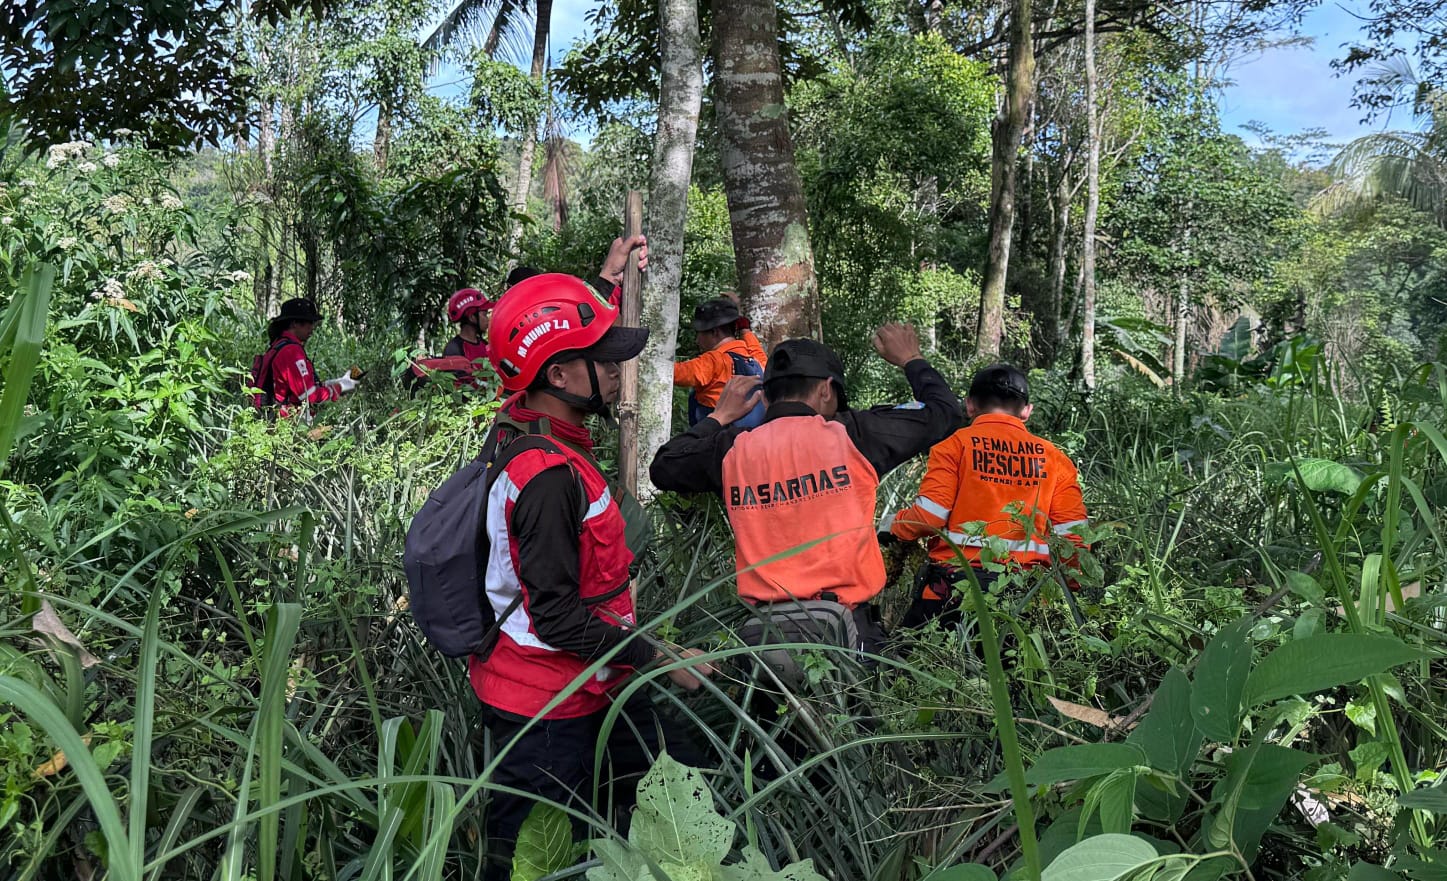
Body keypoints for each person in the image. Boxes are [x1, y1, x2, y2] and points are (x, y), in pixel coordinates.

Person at [473, 271, 709, 881]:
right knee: (531, 862)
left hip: (585, 687)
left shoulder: (533, 431)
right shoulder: (548, 477)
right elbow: (553, 616)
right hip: (546, 712)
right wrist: (659, 655)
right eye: (601, 360)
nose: (614, 370)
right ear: (557, 376)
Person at [648, 324, 961, 653]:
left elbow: (665, 466)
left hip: (764, 640)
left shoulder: (732, 450)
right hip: (848, 633)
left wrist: (719, 416)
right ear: (827, 390)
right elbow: (945, 414)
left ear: (766, 397)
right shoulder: (854, 434)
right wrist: (911, 359)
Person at [882, 363, 1089, 628]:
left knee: (905, 663)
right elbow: (1074, 539)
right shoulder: (1054, 459)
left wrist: (893, 525)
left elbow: (929, 516)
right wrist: (1063, 595)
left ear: (969, 406)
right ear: (1026, 411)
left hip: (951, 589)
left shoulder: (955, 446)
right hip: (1024, 593)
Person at [250, 297, 357, 417]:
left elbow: (300, 387)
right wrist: (339, 388)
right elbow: (309, 396)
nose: (312, 328)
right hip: (285, 423)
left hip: (274, 416)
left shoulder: (279, 345)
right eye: (309, 323)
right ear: (295, 323)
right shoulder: (291, 351)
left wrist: (332, 383)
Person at [674, 293, 768, 427]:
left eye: (699, 334)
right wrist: (743, 326)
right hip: (752, 442)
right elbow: (754, 346)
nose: (697, 340)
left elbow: (675, 373)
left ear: (714, 332)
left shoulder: (714, 362)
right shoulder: (756, 360)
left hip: (717, 442)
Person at [442, 287, 492, 370]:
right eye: (484, 314)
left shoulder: (484, 344)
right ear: (472, 317)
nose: (488, 319)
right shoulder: (454, 350)